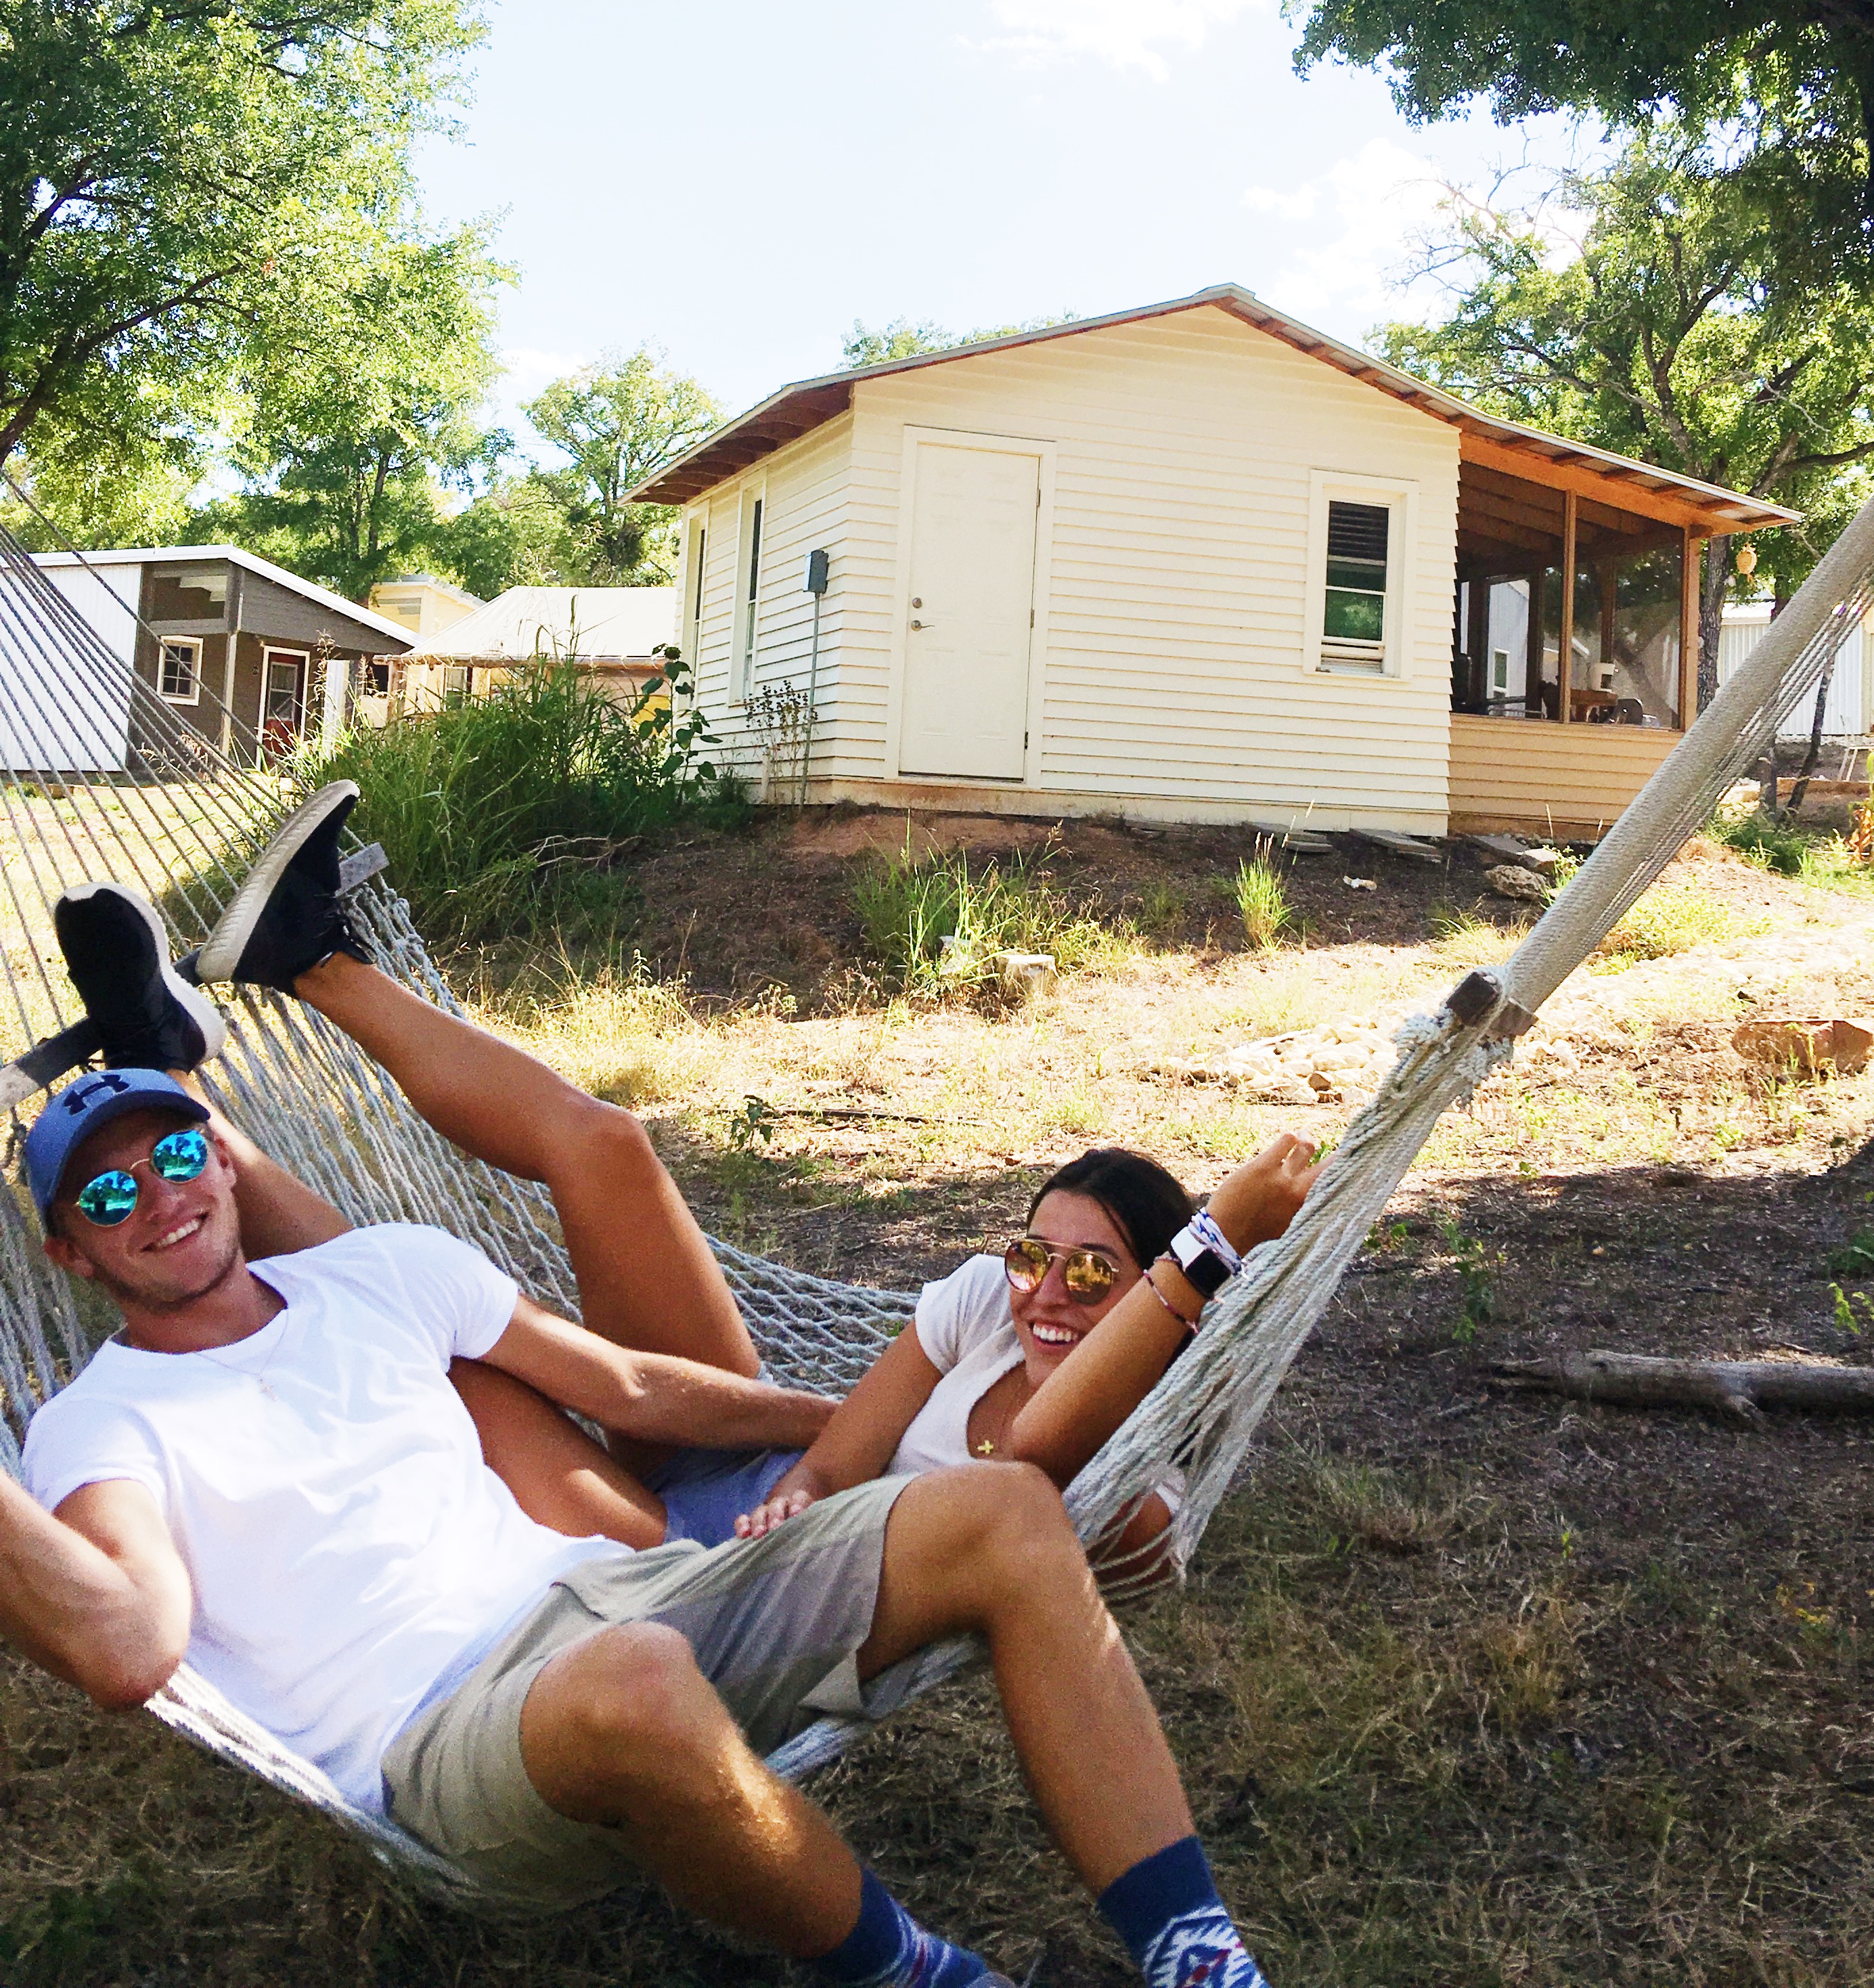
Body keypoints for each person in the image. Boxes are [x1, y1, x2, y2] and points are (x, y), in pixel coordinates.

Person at [3, 801, 1278, 1987]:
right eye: (109, 1196)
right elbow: (126, 1642)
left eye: (183, 1154)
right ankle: (922, 1974)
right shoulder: (101, 1427)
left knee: (400, 1312)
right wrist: (843, 1427)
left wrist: (849, 1433)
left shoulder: (364, 1280)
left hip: (630, 1579)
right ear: (65, 1252)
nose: (160, 1195)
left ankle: (1201, 1957)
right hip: (466, 1711)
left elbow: (630, 1384)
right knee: (594, 1600)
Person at [51, 782, 1324, 1561]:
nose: (1042, 1291)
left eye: (1093, 1278)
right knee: (607, 1144)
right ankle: (306, 959)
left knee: (415, 1333)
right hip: (755, 1463)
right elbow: (832, 1447)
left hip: (685, 1564)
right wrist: (794, 1430)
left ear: (1154, 1306)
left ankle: (168, 1085)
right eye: (1035, 1253)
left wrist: (1216, 1242)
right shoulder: (987, 1303)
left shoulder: (1139, 1489)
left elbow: (1032, 1466)